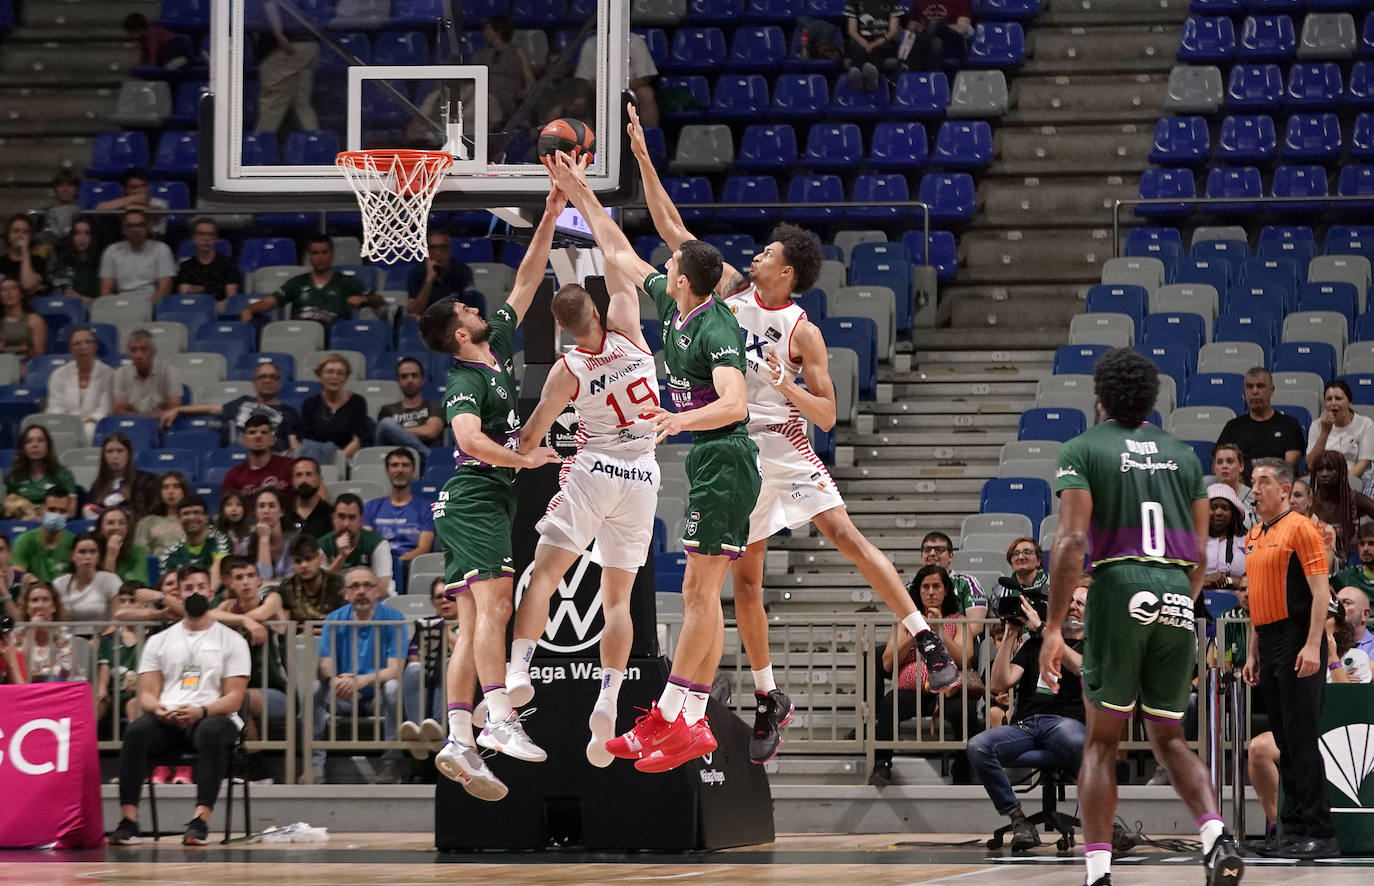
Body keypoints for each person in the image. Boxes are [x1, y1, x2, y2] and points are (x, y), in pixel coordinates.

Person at [624, 105, 960, 763]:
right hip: (735, 451)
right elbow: (673, 231)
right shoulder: (731, 293)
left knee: (844, 535)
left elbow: (829, 415)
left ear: (789, 273)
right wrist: (641, 156)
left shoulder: (804, 330)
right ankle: (769, 696)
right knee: (743, 584)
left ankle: (923, 635)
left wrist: (787, 382)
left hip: (785, 442)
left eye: (768, 253)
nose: (757, 255)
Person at [548, 152, 765, 776]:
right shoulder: (677, 305)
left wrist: (677, 419)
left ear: (684, 280)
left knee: (697, 594)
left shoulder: (714, 328)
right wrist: (581, 194)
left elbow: (735, 401)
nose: (662, 265)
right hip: (709, 461)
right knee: (706, 597)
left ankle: (669, 715)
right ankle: (691, 722)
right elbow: (616, 251)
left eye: (670, 262)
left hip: (726, 457)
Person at [1039, 347, 1243, 886]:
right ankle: (1215, 836)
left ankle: (1098, 872)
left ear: (1101, 397)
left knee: (1102, 740)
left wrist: (1055, 626)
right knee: (1171, 737)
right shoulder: (1183, 454)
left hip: (1118, 583)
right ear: (1151, 398)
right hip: (1177, 590)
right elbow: (1200, 555)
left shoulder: (1082, 448)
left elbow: (1072, 541)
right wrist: (1176, 595)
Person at [420, 186, 564, 801]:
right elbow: (469, 439)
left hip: (485, 499)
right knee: (497, 608)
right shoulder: (461, 377)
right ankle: (500, 719)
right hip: (475, 495)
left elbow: (528, 281)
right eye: (466, 311)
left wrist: (552, 217)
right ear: (458, 333)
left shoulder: (496, 351)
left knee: (476, 621)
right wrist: (525, 459)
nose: (478, 309)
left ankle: (459, 737)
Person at [505, 258, 660, 767]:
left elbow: (528, 438)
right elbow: (619, 268)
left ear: (559, 328)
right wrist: (589, 207)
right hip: (642, 475)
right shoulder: (633, 336)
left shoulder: (565, 369)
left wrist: (526, 448)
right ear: (597, 309)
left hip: (593, 469)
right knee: (618, 603)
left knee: (544, 578)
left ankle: (519, 671)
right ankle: (609, 699)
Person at [108, 564, 250, 846]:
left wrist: (202, 711)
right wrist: (159, 708)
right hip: (170, 717)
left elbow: (234, 698)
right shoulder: (159, 640)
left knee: (210, 731)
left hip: (214, 715)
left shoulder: (232, 640)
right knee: (137, 732)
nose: (194, 593)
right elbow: (148, 694)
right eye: (188, 588)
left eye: (200, 587)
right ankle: (129, 821)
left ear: (210, 594)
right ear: (178, 594)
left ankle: (200, 820)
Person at [1240, 461, 1339, 861]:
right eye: (1252, 482)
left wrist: (1313, 644)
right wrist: (1252, 652)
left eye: (1263, 481)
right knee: (1284, 739)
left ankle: (1320, 830)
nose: (1255, 488)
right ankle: (1292, 829)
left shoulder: (1301, 527)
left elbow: (1321, 593)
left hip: (1299, 636)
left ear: (1284, 489)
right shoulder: (1253, 535)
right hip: (1268, 639)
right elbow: (1254, 600)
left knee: (1301, 738)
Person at [966, 583, 1088, 851]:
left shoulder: (1092, 643)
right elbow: (1000, 683)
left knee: (1079, 743)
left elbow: (1083, 669)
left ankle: (1104, 824)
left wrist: (1043, 631)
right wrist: (1010, 635)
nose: (1073, 607)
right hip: (1026, 726)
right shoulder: (1033, 645)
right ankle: (1019, 820)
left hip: (1065, 723)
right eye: (1070, 602)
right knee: (977, 746)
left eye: (1080, 603)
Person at [1248, 600, 1371, 851]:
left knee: (1304, 745)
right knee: (1262, 747)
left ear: (1336, 625)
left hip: (1346, 734)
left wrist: (1332, 657)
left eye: (1325, 616)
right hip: (1309, 725)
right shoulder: (1292, 652)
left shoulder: (1357, 657)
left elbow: (1351, 701)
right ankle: (1281, 828)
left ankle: (1318, 830)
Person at [869, 565, 973, 786]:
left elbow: (965, 659)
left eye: (937, 586)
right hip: (910, 692)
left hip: (948, 691)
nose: (931, 592)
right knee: (889, 704)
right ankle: (882, 765)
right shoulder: (904, 622)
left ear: (946, 591)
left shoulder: (959, 620)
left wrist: (939, 631)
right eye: (925, 587)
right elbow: (887, 663)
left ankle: (964, 768)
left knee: (966, 710)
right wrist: (918, 631)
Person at [313, 566, 408, 784]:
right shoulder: (334, 619)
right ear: (346, 593)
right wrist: (335, 681)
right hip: (344, 696)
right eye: (354, 586)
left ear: (377, 591)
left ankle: (392, 763)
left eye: (367, 585)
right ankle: (315, 763)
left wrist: (361, 681)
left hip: (377, 696)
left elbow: (395, 669)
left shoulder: (394, 619)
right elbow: (324, 664)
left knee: (393, 688)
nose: (361, 591)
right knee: (315, 687)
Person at [214, 555, 287, 755]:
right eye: (238, 577)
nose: (245, 581)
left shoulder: (272, 600)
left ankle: (254, 765)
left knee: (237, 698)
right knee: (225, 697)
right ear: (229, 582)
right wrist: (245, 622)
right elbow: (205, 617)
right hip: (241, 690)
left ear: (259, 580)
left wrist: (235, 619)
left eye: (250, 576)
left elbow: (262, 614)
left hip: (278, 693)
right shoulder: (229, 608)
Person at [241, 236, 382, 330]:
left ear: (332, 254)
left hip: (330, 330)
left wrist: (364, 299)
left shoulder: (346, 282)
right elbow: (268, 302)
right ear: (310, 256)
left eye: (324, 252)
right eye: (315, 253)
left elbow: (378, 300)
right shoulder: (297, 282)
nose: (320, 257)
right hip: (299, 330)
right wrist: (249, 310)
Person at [163, 358, 302, 453]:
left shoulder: (289, 413)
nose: (267, 381)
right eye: (262, 377)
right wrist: (178, 409)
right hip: (237, 457)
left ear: (280, 383)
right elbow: (211, 408)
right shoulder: (243, 403)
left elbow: (294, 446)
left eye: (273, 377)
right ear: (254, 382)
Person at [1215, 368, 1304, 482]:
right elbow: (1218, 464)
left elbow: (1289, 468)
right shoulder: (1233, 426)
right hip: (1239, 490)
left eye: (1260, 386)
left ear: (1272, 390)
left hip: (1276, 487)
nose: (1255, 391)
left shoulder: (1289, 424)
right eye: (1250, 387)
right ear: (1244, 391)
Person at [399, 577, 455, 752]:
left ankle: (437, 728)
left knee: (445, 665)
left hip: (455, 676)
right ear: (432, 602)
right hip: (428, 674)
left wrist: (444, 629)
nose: (444, 600)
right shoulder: (426, 623)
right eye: (439, 597)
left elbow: (460, 650)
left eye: (450, 595)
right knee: (413, 669)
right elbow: (414, 654)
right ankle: (418, 732)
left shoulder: (468, 622)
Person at [362, 449, 434, 582]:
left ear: (413, 472)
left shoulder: (426, 508)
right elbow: (368, 543)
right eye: (394, 465)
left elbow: (424, 548)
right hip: (376, 566)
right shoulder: (371, 507)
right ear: (387, 472)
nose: (400, 470)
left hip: (408, 566)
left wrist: (395, 563)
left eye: (405, 465)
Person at [252, 0, 320, 134]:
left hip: (289, 47)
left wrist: (279, 35)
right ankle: (316, 143)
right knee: (301, 103)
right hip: (310, 47)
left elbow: (270, 4)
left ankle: (259, 145)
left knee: (273, 103)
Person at [297, 354, 371, 465]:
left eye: (340, 373)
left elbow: (357, 440)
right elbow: (306, 440)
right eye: (330, 372)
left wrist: (337, 462)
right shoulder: (310, 404)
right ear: (320, 375)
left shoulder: (357, 402)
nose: (335, 377)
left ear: (345, 378)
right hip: (316, 457)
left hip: (346, 458)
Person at [46, 325, 115, 444]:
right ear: (71, 349)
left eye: (88, 342)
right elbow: (55, 406)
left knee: (89, 431)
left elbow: (105, 408)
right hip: (65, 423)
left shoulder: (108, 374)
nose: (83, 347)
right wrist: (70, 423)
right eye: (77, 343)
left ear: (95, 346)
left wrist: (87, 422)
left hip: (94, 424)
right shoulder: (59, 374)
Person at [1307, 449, 1374, 566]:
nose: (1324, 474)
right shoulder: (1308, 502)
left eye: (1330, 469)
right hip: (1314, 564)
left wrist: (1362, 534)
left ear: (1341, 472)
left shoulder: (1354, 500)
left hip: (1350, 567)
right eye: (1319, 470)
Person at [319, 494, 393, 591]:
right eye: (341, 517)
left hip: (370, 601)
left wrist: (354, 597)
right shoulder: (322, 545)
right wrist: (341, 557)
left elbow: (383, 587)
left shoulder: (378, 544)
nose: (346, 524)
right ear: (334, 518)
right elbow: (320, 586)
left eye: (352, 517)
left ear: (361, 520)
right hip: (336, 601)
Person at [98, 209, 174, 301]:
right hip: (121, 303)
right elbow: (105, 290)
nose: (135, 230)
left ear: (148, 228)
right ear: (123, 230)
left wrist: (145, 308)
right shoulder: (112, 251)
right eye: (130, 226)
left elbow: (165, 289)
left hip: (151, 302)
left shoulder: (161, 249)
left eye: (140, 225)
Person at [158, 496, 231, 591]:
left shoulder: (220, 540)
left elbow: (216, 578)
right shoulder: (169, 555)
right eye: (186, 513)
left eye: (196, 512)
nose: (191, 517)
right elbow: (170, 589)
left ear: (206, 517)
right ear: (179, 519)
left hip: (217, 600)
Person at [15, 582, 84, 682]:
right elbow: (16, 669)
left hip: (60, 689)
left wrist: (34, 675)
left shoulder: (64, 633)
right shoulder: (17, 634)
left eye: (45, 600)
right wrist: (32, 630)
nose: (40, 605)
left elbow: (64, 670)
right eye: (34, 600)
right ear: (27, 607)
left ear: (54, 607)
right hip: (26, 691)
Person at [1308, 379, 1374, 484]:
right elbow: (1311, 464)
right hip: (1325, 480)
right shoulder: (1316, 425)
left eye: (1338, 398)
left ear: (1349, 402)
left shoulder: (1365, 424)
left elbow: (1364, 462)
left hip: (1356, 480)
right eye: (1329, 399)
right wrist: (1324, 433)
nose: (1333, 403)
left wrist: (1343, 485)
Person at [5, 424, 77, 519]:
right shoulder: (13, 477)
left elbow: (71, 512)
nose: (35, 445)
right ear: (23, 448)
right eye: (29, 441)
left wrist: (47, 518)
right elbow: (7, 510)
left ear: (48, 445)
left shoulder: (62, 474)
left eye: (40, 440)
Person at [97, 583, 145, 725]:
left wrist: (139, 688)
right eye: (122, 601)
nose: (126, 605)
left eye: (132, 600)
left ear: (144, 605)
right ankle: (81, 745)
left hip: (138, 695)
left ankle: (135, 747)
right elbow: (104, 669)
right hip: (113, 695)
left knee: (133, 705)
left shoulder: (152, 637)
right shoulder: (108, 638)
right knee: (96, 704)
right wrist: (102, 689)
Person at [51, 532, 122, 625]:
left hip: (103, 636)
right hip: (67, 637)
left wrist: (102, 638)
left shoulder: (111, 580)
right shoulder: (59, 583)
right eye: (82, 552)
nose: (88, 557)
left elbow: (117, 619)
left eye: (93, 552)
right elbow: (53, 618)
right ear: (72, 555)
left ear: (99, 555)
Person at [84, 432, 157, 521]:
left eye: (120, 451)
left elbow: (147, 515)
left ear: (129, 454)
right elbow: (89, 507)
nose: (115, 456)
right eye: (110, 451)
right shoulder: (98, 484)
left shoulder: (146, 480)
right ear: (104, 456)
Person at [375, 357, 444, 452]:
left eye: (414, 375)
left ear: (422, 380)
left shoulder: (434, 406)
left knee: (388, 425)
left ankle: (428, 457)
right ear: (398, 382)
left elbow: (431, 431)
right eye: (404, 376)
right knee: (386, 423)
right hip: (396, 460)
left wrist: (396, 431)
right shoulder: (387, 409)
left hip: (423, 461)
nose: (410, 380)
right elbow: (383, 435)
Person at [112, 330, 182, 420]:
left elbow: (174, 409)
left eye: (143, 349)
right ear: (129, 354)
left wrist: (140, 417)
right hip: (132, 424)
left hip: (162, 424)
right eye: (133, 350)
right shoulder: (120, 373)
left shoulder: (170, 372)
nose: (138, 355)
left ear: (153, 352)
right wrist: (152, 417)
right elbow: (119, 411)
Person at [221, 415, 295, 501]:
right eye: (252, 432)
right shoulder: (233, 476)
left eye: (264, 432)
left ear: (272, 439)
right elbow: (229, 509)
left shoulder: (290, 467)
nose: (258, 436)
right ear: (244, 440)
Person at [406, 232, 477, 320]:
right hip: (426, 325)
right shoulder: (416, 273)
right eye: (433, 248)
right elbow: (414, 312)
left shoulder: (462, 271)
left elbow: (469, 309)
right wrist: (429, 280)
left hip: (455, 323)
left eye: (443, 247)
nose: (438, 252)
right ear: (426, 251)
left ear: (450, 249)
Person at [275, 534, 345, 623]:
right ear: (292, 564)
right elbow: (285, 626)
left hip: (332, 635)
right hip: (298, 636)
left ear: (321, 559)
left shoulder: (338, 583)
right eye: (298, 561)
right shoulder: (287, 586)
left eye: (308, 559)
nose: (304, 565)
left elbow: (345, 619)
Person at [11, 489, 77, 583]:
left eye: (62, 511)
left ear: (67, 513)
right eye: (52, 509)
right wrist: (29, 579)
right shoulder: (24, 541)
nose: (56, 515)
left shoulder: (74, 543)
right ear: (42, 509)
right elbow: (16, 573)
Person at [174, 217, 241, 305]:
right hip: (193, 311)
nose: (206, 238)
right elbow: (185, 296)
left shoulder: (228, 264)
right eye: (202, 234)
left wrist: (198, 289)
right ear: (194, 237)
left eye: (211, 234)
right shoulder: (186, 266)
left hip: (220, 313)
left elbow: (231, 299)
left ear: (216, 238)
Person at [842, 0, 904, 91]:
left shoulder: (893, 2)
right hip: (862, 41)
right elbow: (852, 31)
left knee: (877, 49)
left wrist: (875, 44)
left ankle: (862, 72)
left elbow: (893, 31)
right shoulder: (853, 2)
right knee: (859, 49)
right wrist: (865, 43)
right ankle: (862, 77)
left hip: (884, 41)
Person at [896, 0, 973, 73]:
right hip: (927, 42)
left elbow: (962, 28)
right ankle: (931, 82)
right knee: (936, 43)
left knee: (934, 23)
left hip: (952, 43)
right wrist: (916, 27)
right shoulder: (919, 1)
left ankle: (909, 63)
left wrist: (936, 27)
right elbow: (911, 26)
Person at [238, 488, 295, 581]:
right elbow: (263, 579)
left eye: (272, 506)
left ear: (282, 512)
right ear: (255, 512)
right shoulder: (246, 544)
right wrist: (264, 539)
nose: (266, 511)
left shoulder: (295, 542)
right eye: (261, 506)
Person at [134, 471, 191, 558]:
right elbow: (140, 555)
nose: (170, 492)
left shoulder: (193, 520)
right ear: (160, 493)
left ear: (184, 491)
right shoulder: (148, 522)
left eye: (176, 487)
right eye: (165, 487)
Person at [1203, 483, 1248, 592]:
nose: (1218, 512)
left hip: (1237, 604)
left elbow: (1257, 579)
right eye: (1213, 507)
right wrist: (1205, 580)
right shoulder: (1191, 542)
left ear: (1233, 513)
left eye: (1225, 508)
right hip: (1195, 604)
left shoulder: (1248, 541)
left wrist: (1227, 581)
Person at [48, 215, 102, 302]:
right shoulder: (62, 264)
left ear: (92, 237)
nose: (82, 238)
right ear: (71, 237)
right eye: (77, 233)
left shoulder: (99, 266)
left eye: (87, 233)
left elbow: (105, 303)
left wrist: (81, 299)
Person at [1289, 477, 1338, 572]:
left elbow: (1324, 569)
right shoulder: (1277, 527)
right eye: (1288, 496)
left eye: (1298, 496)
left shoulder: (1325, 530)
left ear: (1310, 501)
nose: (1291, 501)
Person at [95, 507, 151, 585]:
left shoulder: (138, 551)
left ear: (127, 528)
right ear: (100, 529)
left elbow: (138, 587)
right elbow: (104, 589)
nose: (117, 527)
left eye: (121, 523)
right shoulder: (92, 551)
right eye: (110, 523)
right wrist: (111, 556)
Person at [0, 276, 47, 361]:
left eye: (13, 288)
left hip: (28, 363)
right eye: (4, 290)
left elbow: (39, 351)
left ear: (21, 294)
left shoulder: (34, 320)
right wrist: (18, 350)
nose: (9, 293)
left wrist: (7, 350)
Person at [0, 214, 47, 296]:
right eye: (15, 231)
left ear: (31, 236)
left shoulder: (37, 261)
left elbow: (27, 285)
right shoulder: (1, 262)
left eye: (25, 232)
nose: (20, 235)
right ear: (8, 235)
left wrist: (24, 251)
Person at [1211, 443, 1256, 528]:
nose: (1224, 466)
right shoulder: (1204, 498)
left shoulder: (1254, 498)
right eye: (1220, 462)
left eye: (1230, 461)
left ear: (1241, 466)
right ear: (1214, 468)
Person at [287, 457, 332, 539]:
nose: (304, 480)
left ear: (319, 478)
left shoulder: (331, 515)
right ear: (292, 480)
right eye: (299, 475)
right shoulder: (283, 514)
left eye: (309, 474)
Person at [999, 536, 1047, 602]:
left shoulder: (1052, 587)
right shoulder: (999, 591)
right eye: (1016, 554)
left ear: (1038, 560)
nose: (1020, 557)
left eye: (1027, 552)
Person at [41, 169, 82, 245]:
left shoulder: (84, 215)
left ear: (77, 189)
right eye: (60, 186)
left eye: (69, 185)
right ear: (55, 190)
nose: (65, 190)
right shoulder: (43, 214)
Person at [1334, 584, 1374, 659]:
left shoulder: (1372, 648)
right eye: (1336, 603)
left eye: (1346, 603)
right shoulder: (1324, 643)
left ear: (1365, 615)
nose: (1337, 608)